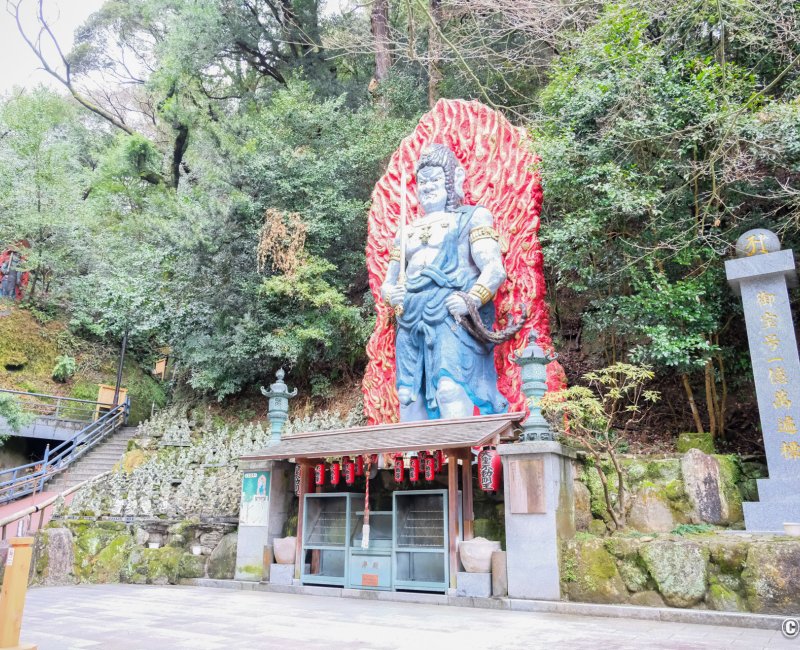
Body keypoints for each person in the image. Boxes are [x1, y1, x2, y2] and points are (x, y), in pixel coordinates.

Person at [381, 144, 508, 421]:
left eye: (435, 179)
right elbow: (387, 284)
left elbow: (494, 269)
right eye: (422, 181)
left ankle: (460, 460)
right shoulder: (406, 231)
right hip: (409, 315)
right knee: (406, 395)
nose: (428, 187)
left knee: (449, 387)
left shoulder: (472, 218)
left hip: (451, 313)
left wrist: (470, 299)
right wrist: (393, 296)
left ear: (454, 180)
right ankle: (413, 462)